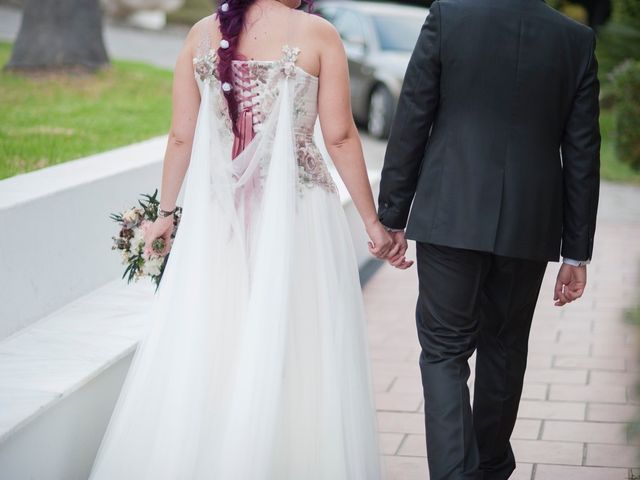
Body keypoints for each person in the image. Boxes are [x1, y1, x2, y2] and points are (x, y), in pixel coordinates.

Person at [89, 0, 406, 478]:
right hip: (300, 216)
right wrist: (373, 223)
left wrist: (167, 216)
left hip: (220, 217)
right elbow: (339, 136)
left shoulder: (200, 33)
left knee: (219, 334)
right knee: (300, 339)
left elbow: (181, 135)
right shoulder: (318, 35)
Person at [378, 0, 600, 478]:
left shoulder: (449, 16)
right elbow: (583, 149)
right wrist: (576, 251)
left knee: (443, 351)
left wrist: (391, 214)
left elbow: (413, 115)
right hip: (529, 221)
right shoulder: (574, 40)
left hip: (450, 211)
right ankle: (492, 466)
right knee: (504, 345)